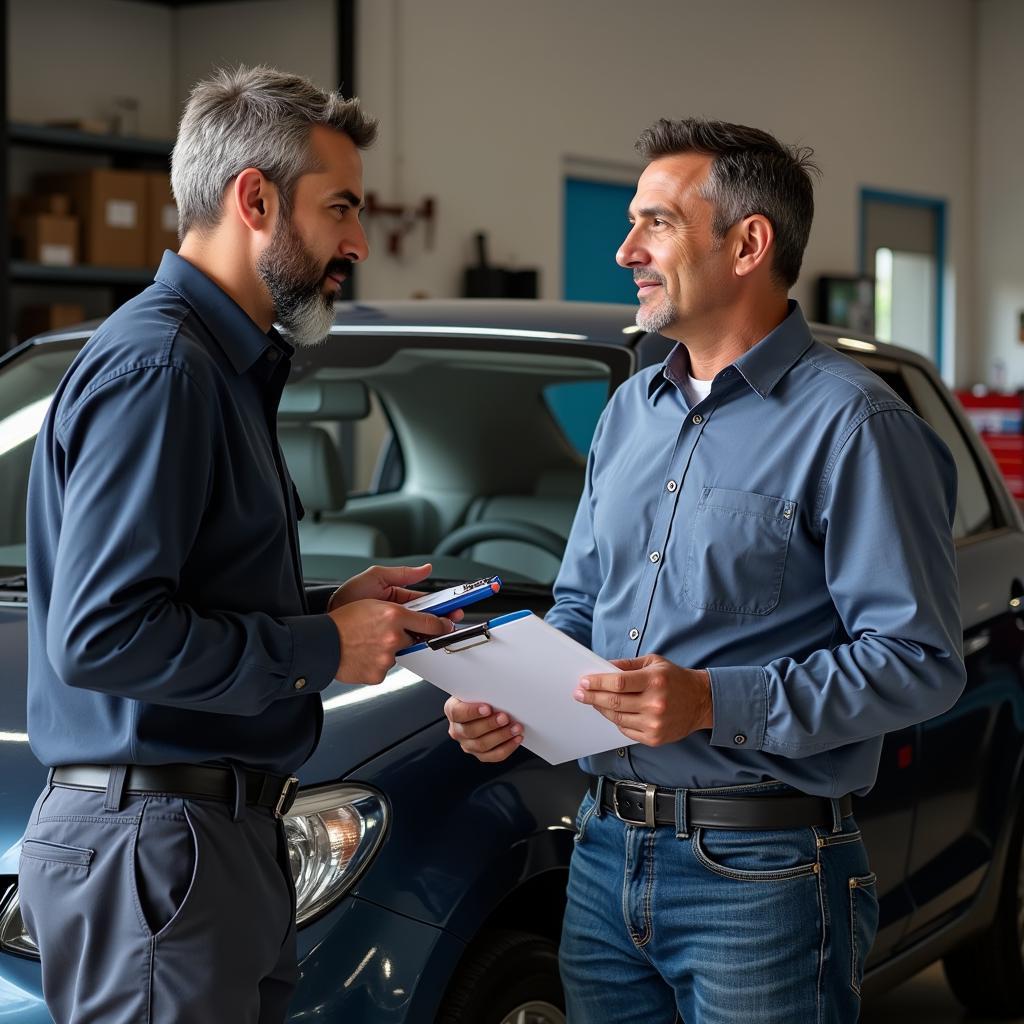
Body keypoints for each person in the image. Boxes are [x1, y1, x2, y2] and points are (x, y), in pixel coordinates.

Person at [444, 118, 965, 1023]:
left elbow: (920, 660)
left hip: (763, 874)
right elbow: (579, 604)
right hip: (604, 855)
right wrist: (514, 699)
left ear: (748, 244)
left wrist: (716, 702)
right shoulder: (628, 414)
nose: (625, 249)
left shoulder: (855, 428)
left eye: (656, 223)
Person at [20, 66, 456, 1024]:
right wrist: (323, 651)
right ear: (253, 197)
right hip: (158, 851)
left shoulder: (223, 367)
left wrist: (327, 614)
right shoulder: (163, 368)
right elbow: (105, 637)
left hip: (206, 848)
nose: (356, 240)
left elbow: (183, 593)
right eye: (340, 206)